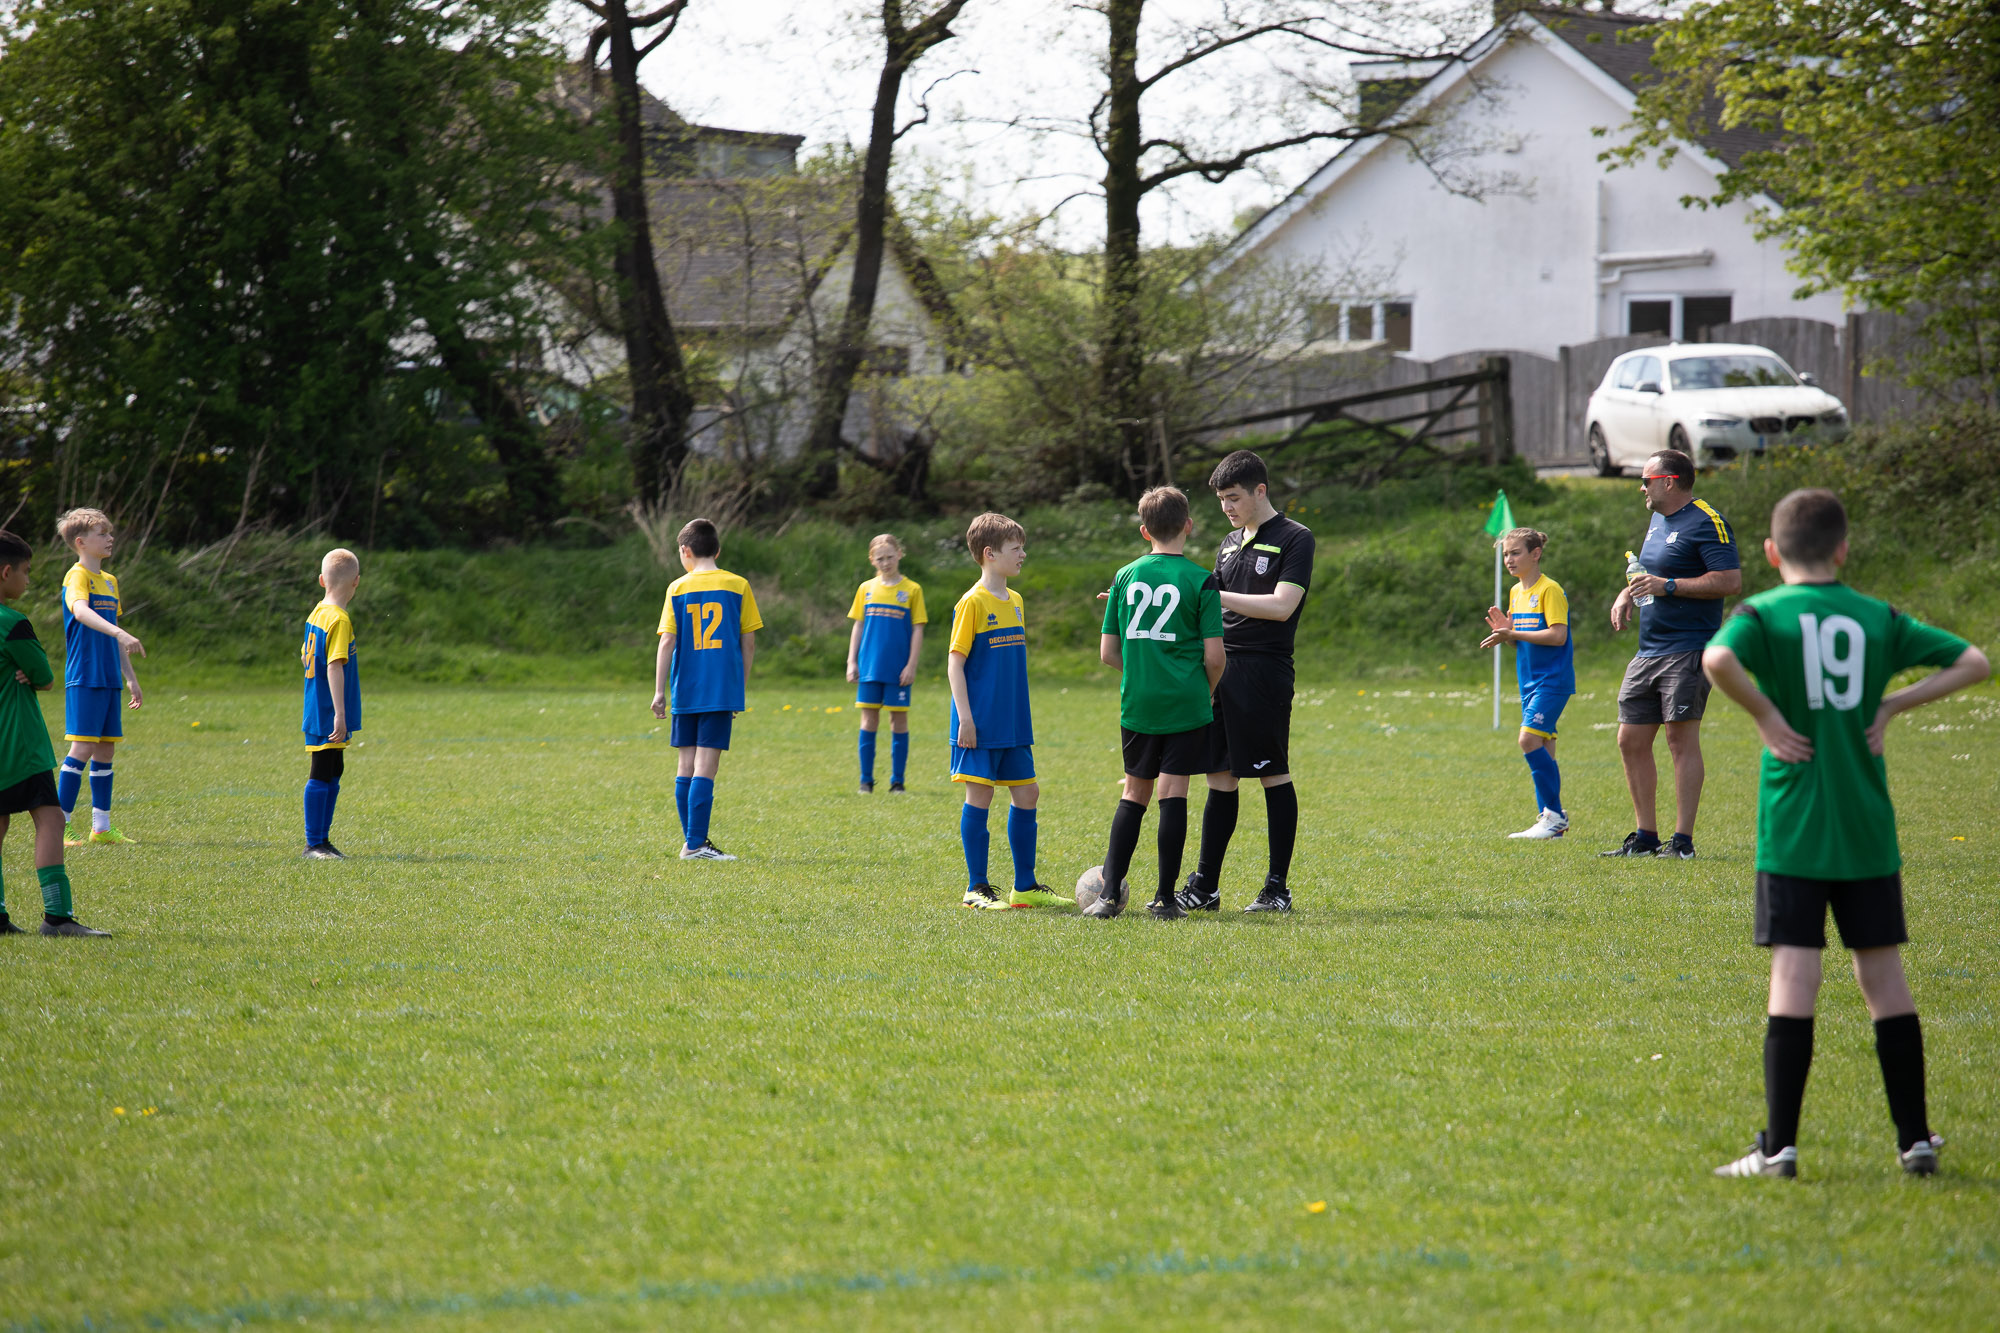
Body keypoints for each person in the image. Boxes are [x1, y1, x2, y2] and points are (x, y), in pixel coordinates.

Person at [1702, 489, 1987, 1178]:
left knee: (1795, 973)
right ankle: (1914, 1140)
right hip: (1865, 824)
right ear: (1843, 548)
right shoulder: (1875, 616)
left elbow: (1716, 661)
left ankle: (1778, 1148)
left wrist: (1768, 718)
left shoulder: (1761, 613)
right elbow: (1974, 660)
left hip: (1794, 824)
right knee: (1884, 976)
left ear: (1771, 553)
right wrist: (1893, 702)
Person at [1177, 450, 1315, 914]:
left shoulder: (1296, 538)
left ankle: (1277, 888)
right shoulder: (1229, 541)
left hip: (1263, 669)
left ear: (1261, 490)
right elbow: (1206, 605)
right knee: (1220, 774)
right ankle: (1205, 887)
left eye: (1233, 498)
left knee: (1272, 773)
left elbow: (1281, 606)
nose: (1226, 508)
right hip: (1219, 668)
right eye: (1220, 500)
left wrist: (1213, 593)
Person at [1094, 487, 1226, 920]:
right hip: (1186, 702)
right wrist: (1203, 690)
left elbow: (1108, 653)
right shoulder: (1201, 579)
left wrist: (1143, 673)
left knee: (1134, 792)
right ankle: (1166, 900)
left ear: (1144, 530)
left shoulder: (1124, 576)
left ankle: (1108, 897)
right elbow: (1214, 656)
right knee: (1174, 794)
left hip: (1139, 700)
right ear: (1188, 525)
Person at [1603, 449, 1741, 859]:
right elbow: (1649, 569)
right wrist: (1627, 593)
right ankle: (1646, 837)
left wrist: (1670, 587)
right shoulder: (1657, 519)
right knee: (1630, 738)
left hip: (1688, 647)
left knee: (1680, 739)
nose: (1642, 487)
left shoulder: (1708, 522)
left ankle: (1682, 842)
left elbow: (1729, 581)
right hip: (1649, 648)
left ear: (1670, 481)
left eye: (1646, 480)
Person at [949, 512, 1061, 909]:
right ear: (989, 554)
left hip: (1013, 721)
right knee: (980, 797)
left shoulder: (1015, 600)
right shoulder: (972, 602)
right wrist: (965, 717)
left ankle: (1024, 887)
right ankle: (975, 888)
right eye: (1016, 549)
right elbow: (955, 663)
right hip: (978, 721)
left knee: (1027, 793)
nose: (1023, 555)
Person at [0, 530, 109, 936]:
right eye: (25, 572)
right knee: (49, 819)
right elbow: (45, 676)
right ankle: (57, 916)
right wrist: (34, 674)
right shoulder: (12, 623)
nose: (28, 580)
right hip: (19, 743)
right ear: (6, 571)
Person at [652, 518, 762, 863]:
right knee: (706, 767)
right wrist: (738, 687)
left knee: (686, 764)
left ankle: (692, 843)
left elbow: (667, 641)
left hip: (685, 688)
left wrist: (659, 691)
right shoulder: (738, 585)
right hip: (719, 690)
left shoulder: (677, 588)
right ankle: (696, 845)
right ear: (718, 549)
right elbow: (749, 642)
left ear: (685, 551)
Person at [53, 507, 144, 846]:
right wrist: (120, 635)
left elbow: (114, 630)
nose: (110, 539)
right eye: (102, 534)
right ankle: (60, 826)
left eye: (110, 533)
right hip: (85, 674)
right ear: (81, 542)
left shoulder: (110, 581)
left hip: (108, 677)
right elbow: (80, 610)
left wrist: (130, 677)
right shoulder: (76, 576)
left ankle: (101, 828)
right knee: (83, 747)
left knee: (106, 751)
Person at [1480, 527, 1574, 839]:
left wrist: (1514, 633)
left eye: (1516, 552)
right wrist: (1508, 634)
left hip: (1552, 680)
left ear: (1536, 554)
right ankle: (1551, 820)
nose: (1509, 559)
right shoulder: (1516, 593)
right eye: (1506, 554)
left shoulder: (1550, 590)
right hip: (1529, 682)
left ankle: (1554, 816)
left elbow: (1558, 636)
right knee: (1544, 745)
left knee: (1527, 740)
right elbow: (1520, 642)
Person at [846, 533, 926, 794]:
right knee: (868, 722)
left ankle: (897, 782)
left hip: (897, 669)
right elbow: (858, 626)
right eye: (880, 558)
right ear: (872, 560)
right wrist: (852, 661)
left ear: (899, 554)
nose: (886, 562)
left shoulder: (912, 590)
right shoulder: (865, 589)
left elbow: (917, 629)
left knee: (898, 722)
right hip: (869, 667)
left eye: (890, 557)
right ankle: (865, 781)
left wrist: (911, 664)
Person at [301, 548, 362, 860]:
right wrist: (340, 713)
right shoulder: (339, 619)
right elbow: (334, 665)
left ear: (322, 580)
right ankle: (314, 844)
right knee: (322, 769)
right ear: (356, 582)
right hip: (327, 710)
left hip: (318, 705)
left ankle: (323, 841)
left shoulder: (318, 612)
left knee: (333, 768)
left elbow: (304, 655)